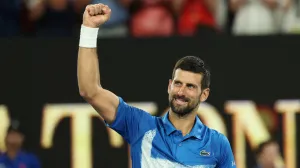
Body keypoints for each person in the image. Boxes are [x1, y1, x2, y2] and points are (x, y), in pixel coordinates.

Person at [77, 3, 236, 167]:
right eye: (178, 83)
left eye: (190, 86)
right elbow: (90, 91)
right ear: (169, 86)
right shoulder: (140, 126)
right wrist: (89, 30)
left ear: (204, 94)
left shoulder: (217, 144)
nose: (181, 91)